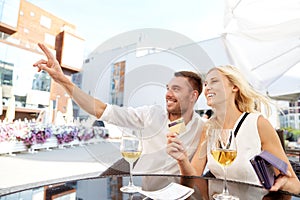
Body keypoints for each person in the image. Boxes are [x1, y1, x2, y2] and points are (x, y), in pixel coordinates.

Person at [33, 43, 205, 190]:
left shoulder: (203, 129)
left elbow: (198, 178)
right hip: (145, 193)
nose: (168, 94)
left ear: (193, 96)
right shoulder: (151, 114)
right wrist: (63, 80)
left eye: (176, 89)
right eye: (167, 88)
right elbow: (100, 109)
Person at [167, 65, 300, 194]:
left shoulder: (258, 123)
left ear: (235, 87)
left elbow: (295, 185)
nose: (207, 88)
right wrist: (182, 159)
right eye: (206, 84)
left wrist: (285, 183)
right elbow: (194, 177)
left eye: (214, 81)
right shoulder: (209, 128)